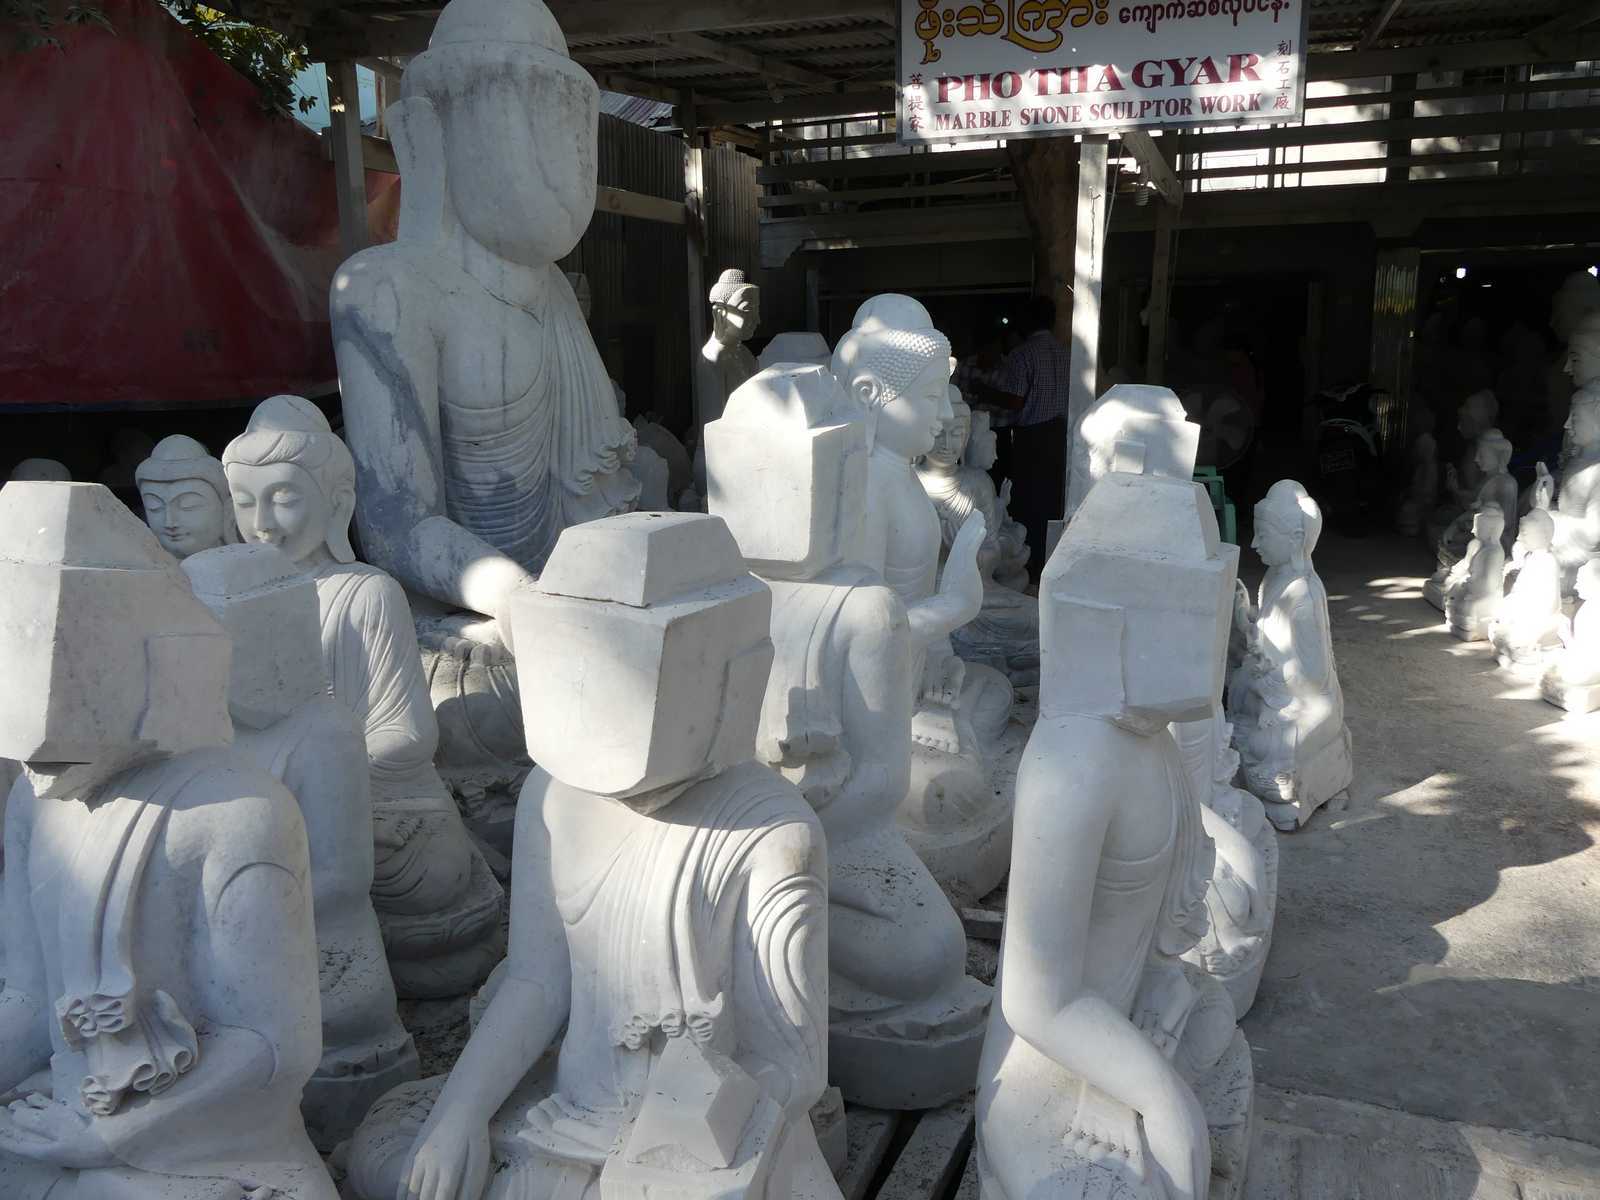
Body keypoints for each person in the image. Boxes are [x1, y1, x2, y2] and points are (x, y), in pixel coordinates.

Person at [969, 294, 1071, 581]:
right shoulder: (1066, 353)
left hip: (1033, 437)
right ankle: (1053, 560)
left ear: (1026, 322)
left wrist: (984, 392)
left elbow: (1014, 401)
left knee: (1028, 502)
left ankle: (1033, 564)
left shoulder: (1022, 354)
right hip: (1061, 434)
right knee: (1055, 499)